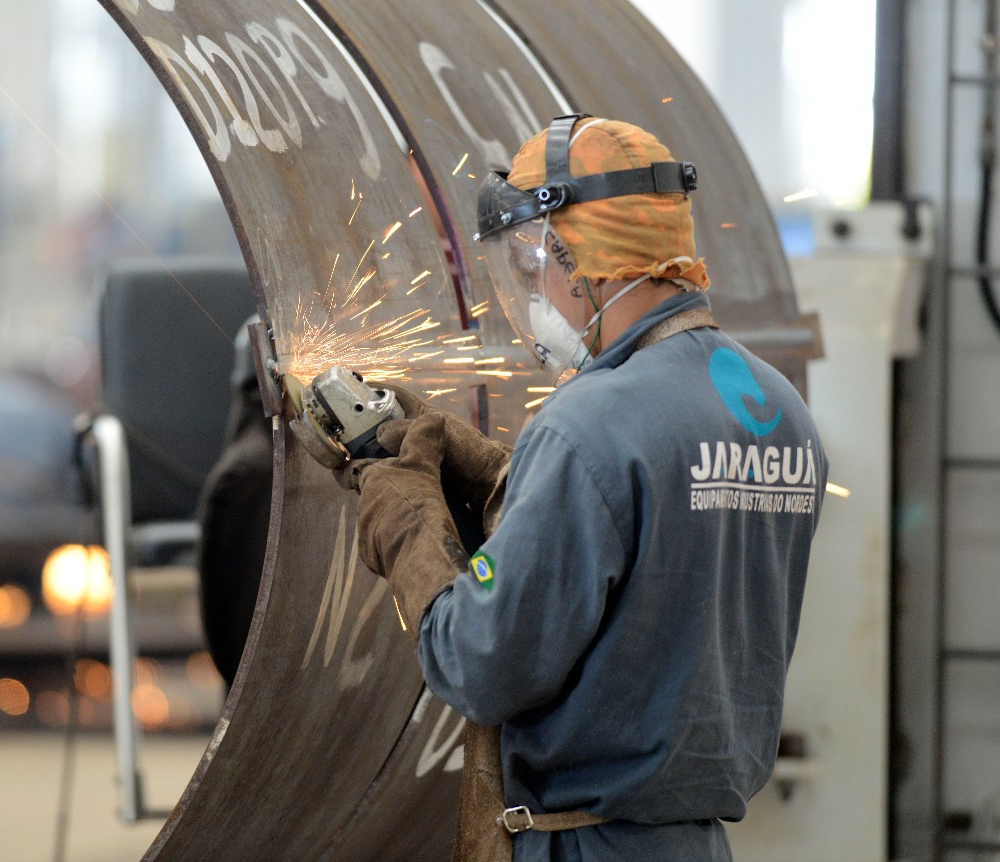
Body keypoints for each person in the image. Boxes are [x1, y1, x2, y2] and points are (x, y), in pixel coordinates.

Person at [338, 115, 828, 861]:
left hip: (584, 847)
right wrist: (514, 482)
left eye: (534, 269)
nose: (534, 295)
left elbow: (481, 665)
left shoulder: (586, 424)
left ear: (578, 259)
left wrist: (410, 526)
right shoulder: (778, 412)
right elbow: (656, 560)